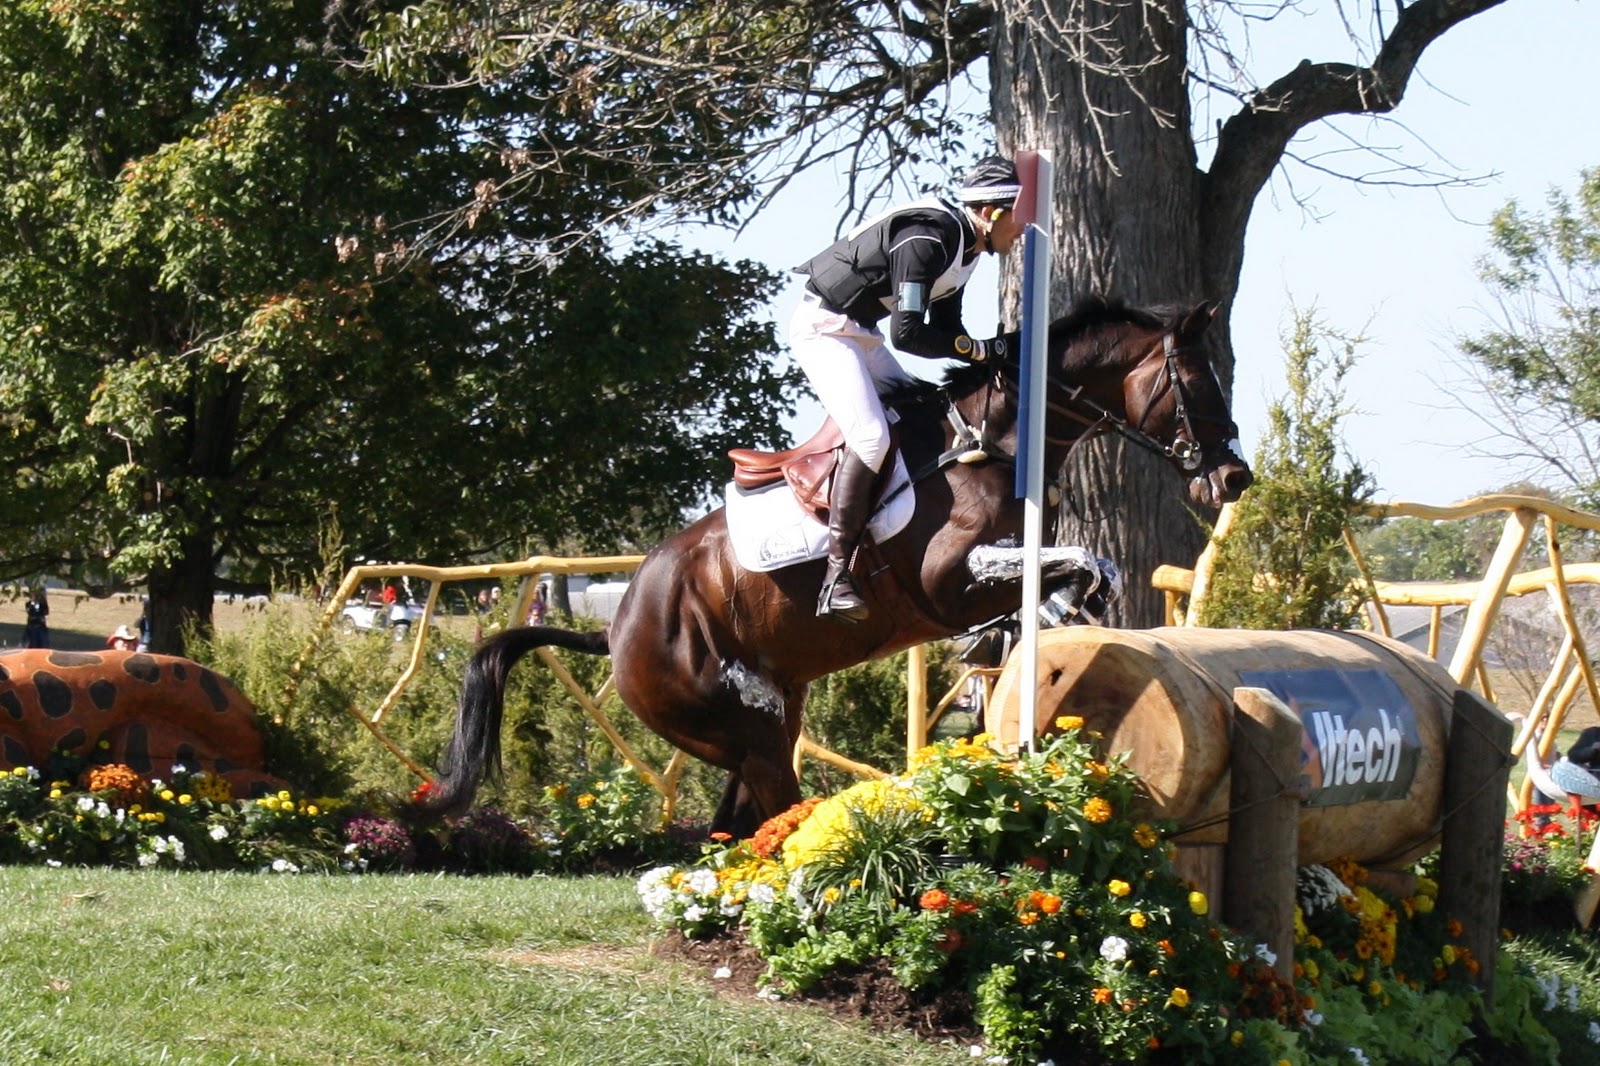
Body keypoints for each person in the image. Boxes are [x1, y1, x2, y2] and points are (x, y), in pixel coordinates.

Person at [791, 154, 1026, 621]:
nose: (1021, 233)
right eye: (1017, 220)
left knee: (924, 414)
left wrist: (987, 351)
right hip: (824, 330)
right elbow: (910, 335)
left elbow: (946, 327)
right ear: (990, 212)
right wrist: (983, 352)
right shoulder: (930, 239)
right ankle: (836, 575)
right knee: (872, 437)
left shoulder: (967, 248)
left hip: (860, 333)